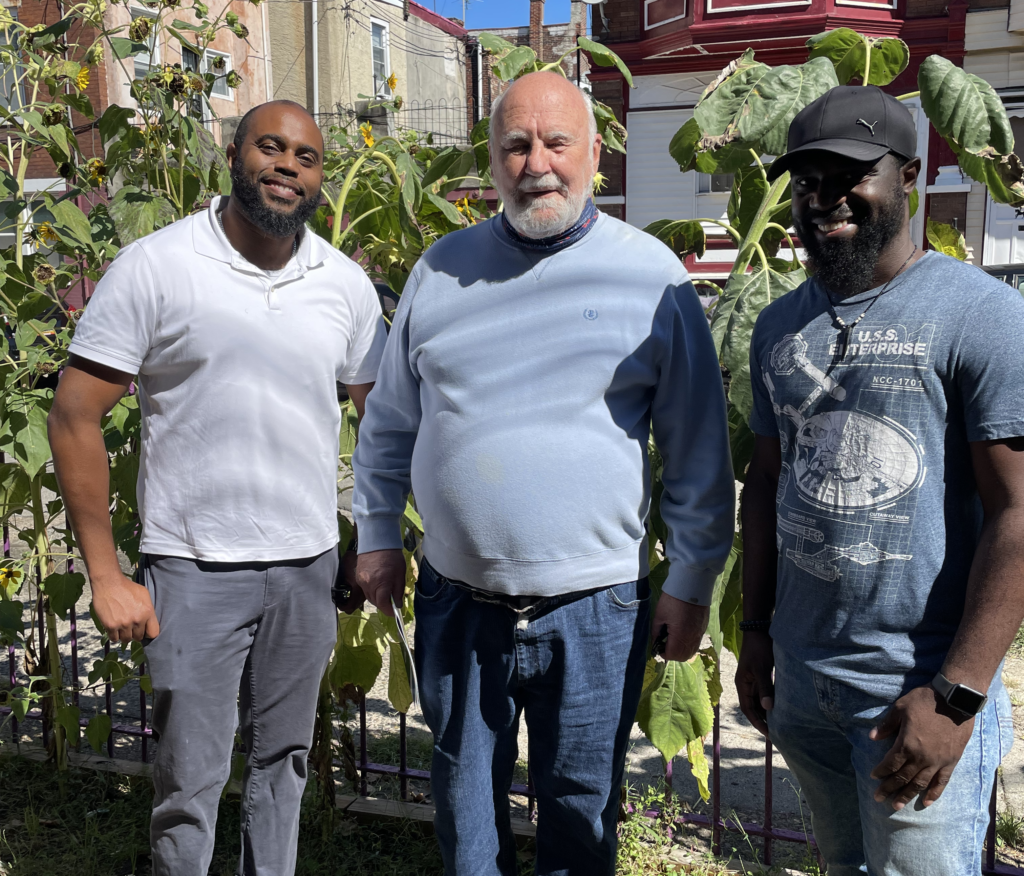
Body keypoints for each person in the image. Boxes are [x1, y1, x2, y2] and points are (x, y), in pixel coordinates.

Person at [351, 71, 736, 876]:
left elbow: (697, 447)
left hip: (597, 606)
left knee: (581, 807)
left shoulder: (651, 276)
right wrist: (378, 533)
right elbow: (390, 421)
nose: (537, 164)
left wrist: (693, 579)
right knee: (464, 808)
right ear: (492, 161)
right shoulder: (440, 271)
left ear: (594, 154)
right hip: (458, 599)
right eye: (515, 145)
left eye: (557, 143)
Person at [47, 100, 387, 875]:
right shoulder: (157, 267)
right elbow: (74, 415)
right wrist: (105, 573)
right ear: (234, 154)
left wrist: (371, 536)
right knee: (189, 784)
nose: (286, 167)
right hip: (192, 571)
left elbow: (387, 424)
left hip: (305, 572)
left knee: (284, 769)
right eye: (270, 147)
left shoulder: (343, 285)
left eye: (305, 158)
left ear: (319, 179)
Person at [736, 85, 1024, 875]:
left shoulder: (979, 315)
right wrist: (755, 633)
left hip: (913, 691)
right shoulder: (778, 323)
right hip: (803, 680)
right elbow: (766, 480)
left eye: (849, 175)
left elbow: (1018, 514)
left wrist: (957, 697)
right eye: (805, 182)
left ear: (910, 174)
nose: (824, 198)